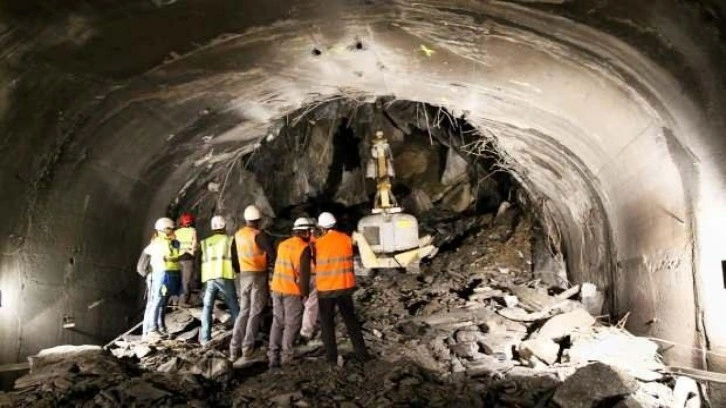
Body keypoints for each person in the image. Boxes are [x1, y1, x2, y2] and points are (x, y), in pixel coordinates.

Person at [314, 212, 369, 365]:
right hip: (345, 286)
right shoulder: (345, 239)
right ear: (335, 224)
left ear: (321, 227)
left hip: (325, 289)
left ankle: (331, 358)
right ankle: (362, 355)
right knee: (351, 321)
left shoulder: (318, 243)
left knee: (327, 324)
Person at [229, 205, 276, 361]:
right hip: (258, 275)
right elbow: (273, 254)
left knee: (244, 311)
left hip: (244, 275)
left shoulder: (238, 235)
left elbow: (234, 258)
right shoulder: (259, 235)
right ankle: (247, 349)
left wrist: (240, 270)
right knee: (255, 311)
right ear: (259, 220)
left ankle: (234, 348)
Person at [268, 217, 314, 369]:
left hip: (276, 287)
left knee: (277, 322)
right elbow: (305, 276)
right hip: (291, 290)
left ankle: (273, 356)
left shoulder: (282, 244)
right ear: (305, 232)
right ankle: (287, 356)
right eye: (309, 232)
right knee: (292, 323)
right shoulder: (304, 248)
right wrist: (305, 294)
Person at [199, 215, 240, 346]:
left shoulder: (205, 242)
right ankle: (239, 335)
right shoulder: (228, 240)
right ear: (225, 226)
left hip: (209, 277)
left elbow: (200, 260)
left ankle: (205, 337)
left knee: (207, 307)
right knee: (233, 304)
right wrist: (238, 270)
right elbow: (234, 258)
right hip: (223, 275)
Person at [142, 217, 182, 341]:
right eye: (171, 229)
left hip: (170, 274)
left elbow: (175, 254)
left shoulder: (171, 242)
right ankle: (152, 329)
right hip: (161, 274)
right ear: (164, 229)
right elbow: (169, 257)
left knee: (163, 302)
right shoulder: (158, 243)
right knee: (157, 301)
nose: (173, 231)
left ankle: (161, 327)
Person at [300, 218, 319, 343]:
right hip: (312, 275)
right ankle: (306, 332)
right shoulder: (315, 242)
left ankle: (304, 329)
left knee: (307, 303)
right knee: (311, 304)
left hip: (302, 275)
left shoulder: (299, 242)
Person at [175, 212, 198, 307]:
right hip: (188, 258)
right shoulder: (193, 231)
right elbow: (194, 245)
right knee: (186, 280)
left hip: (178, 258)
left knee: (179, 279)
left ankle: (175, 300)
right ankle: (183, 301)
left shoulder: (176, 232)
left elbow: (175, 245)